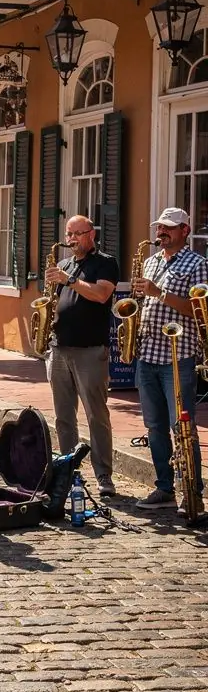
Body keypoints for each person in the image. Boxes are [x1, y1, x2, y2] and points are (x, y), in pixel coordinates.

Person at [132, 207, 208, 511]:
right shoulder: (149, 262)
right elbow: (143, 301)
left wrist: (159, 293)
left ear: (185, 231)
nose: (161, 232)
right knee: (154, 428)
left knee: (183, 427)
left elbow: (198, 309)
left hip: (179, 358)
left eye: (169, 228)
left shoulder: (198, 264)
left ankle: (193, 492)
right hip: (147, 354)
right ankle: (164, 488)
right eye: (159, 227)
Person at [44, 216, 119, 500]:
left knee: (96, 415)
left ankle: (104, 477)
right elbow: (54, 302)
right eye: (69, 234)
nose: (72, 239)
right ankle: (68, 470)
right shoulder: (64, 264)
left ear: (92, 233)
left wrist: (70, 280)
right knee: (64, 417)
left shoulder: (105, 262)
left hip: (90, 350)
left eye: (78, 234)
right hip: (59, 348)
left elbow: (101, 295)